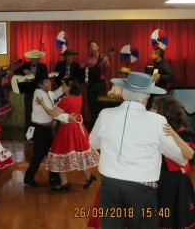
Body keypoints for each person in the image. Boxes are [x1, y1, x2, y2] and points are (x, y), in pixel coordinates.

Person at [89, 72, 193, 229]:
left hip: (109, 184)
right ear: (146, 96)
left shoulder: (105, 114)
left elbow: (93, 143)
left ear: (123, 93)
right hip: (141, 188)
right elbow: (180, 158)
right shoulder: (157, 121)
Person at [36, 77, 99, 191]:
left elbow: (52, 113)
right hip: (77, 128)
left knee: (60, 152)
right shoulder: (78, 96)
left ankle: (64, 182)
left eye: (64, 85)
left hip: (67, 129)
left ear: (69, 87)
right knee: (76, 154)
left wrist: (42, 104)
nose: (62, 87)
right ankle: (88, 175)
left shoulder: (67, 100)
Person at [23, 73, 77, 187]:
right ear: (40, 84)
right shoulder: (40, 95)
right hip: (39, 129)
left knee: (51, 153)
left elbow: (57, 93)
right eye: (47, 82)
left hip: (45, 129)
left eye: (49, 81)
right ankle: (29, 177)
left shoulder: (46, 93)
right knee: (39, 155)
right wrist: (67, 118)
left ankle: (53, 177)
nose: (50, 83)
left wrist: (64, 84)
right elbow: (53, 113)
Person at [151, 96, 195, 229]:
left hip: (175, 183)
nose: (151, 110)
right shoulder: (153, 132)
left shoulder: (184, 132)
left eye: (154, 108)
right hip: (156, 180)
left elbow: (190, 154)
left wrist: (172, 133)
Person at [13, 49, 48, 130]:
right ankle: (28, 128)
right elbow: (16, 71)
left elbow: (45, 78)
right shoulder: (26, 65)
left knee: (38, 110)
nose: (32, 60)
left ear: (38, 59)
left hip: (38, 91)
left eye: (34, 58)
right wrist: (23, 70)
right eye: (31, 58)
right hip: (28, 91)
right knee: (28, 111)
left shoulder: (43, 67)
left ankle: (37, 128)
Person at [81, 41, 111, 129]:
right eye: (90, 46)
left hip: (100, 83)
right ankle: (94, 124)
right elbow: (81, 68)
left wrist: (105, 62)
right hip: (91, 84)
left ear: (98, 47)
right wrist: (86, 67)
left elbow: (108, 68)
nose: (92, 48)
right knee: (92, 104)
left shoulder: (103, 57)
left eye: (94, 46)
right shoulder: (87, 59)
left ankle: (101, 124)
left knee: (101, 104)